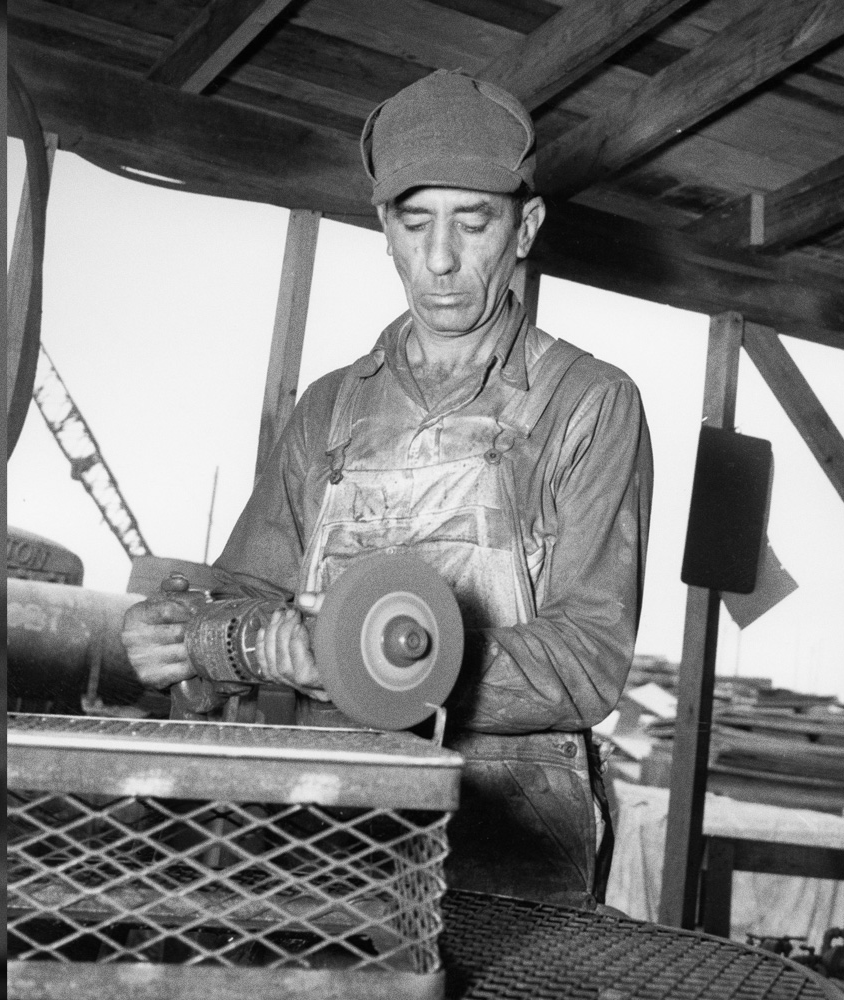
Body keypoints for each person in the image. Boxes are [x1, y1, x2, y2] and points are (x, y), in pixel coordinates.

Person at [121, 69, 653, 909]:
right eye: (416, 223)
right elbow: (249, 591)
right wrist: (192, 635)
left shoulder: (589, 404)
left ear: (526, 228)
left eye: (473, 223)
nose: (439, 262)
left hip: (507, 828)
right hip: (323, 817)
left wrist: (389, 665)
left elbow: (589, 659)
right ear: (386, 230)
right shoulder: (329, 409)